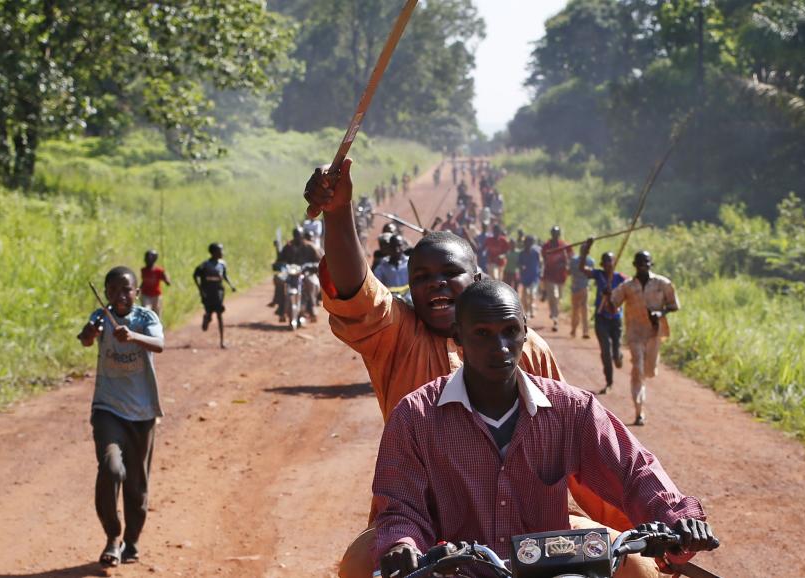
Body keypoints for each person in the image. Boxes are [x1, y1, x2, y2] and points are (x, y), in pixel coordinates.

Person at [304, 160, 629, 578]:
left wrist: (648, 529)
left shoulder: (530, 348)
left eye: (449, 273)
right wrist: (338, 211)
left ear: (477, 279)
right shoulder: (398, 335)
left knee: (632, 563)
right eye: (421, 277)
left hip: (537, 529)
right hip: (428, 531)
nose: (436, 283)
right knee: (358, 567)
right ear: (410, 288)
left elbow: (580, 452)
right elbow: (355, 292)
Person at [374, 280, 715, 578]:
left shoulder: (572, 410)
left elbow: (634, 471)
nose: (501, 348)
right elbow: (401, 507)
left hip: (556, 571)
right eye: (482, 334)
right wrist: (402, 544)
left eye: (510, 331)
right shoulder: (415, 417)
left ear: (525, 331)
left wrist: (678, 519)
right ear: (458, 336)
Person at [77, 266, 165, 568]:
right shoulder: (100, 317)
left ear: (136, 292)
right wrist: (89, 333)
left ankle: (132, 541)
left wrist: (133, 336)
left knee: (137, 486)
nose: (120, 295)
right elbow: (87, 338)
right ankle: (112, 536)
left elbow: (159, 345)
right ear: (106, 293)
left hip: (142, 414)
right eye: (113, 290)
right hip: (107, 409)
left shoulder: (145, 318)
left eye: (126, 289)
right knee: (112, 468)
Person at [609, 251, 679, 426]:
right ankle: (639, 411)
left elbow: (674, 305)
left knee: (649, 371)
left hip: (655, 333)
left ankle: (643, 384)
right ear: (634, 264)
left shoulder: (662, 284)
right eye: (639, 262)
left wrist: (660, 312)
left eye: (646, 262)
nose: (642, 265)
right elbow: (613, 305)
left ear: (650, 264)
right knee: (638, 370)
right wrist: (607, 295)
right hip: (635, 334)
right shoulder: (627, 287)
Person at [579, 239, 626, 393]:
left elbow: (632, 288)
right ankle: (609, 382)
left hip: (616, 319)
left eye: (610, 261)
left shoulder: (621, 278)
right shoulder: (598, 275)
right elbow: (582, 268)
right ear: (602, 263)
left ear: (614, 262)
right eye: (605, 262)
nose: (608, 264)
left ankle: (618, 356)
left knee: (615, 353)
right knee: (605, 351)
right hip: (601, 319)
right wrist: (585, 251)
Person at [193, 243, 237, 349]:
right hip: (208, 292)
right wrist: (200, 289)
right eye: (220, 251)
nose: (222, 253)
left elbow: (225, 276)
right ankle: (207, 317)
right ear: (213, 253)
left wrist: (231, 285)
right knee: (209, 311)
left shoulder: (222, 264)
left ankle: (222, 341)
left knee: (219, 314)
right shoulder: (205, 265)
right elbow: (195, 275)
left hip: (218, 292)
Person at [541, 226, 571, 333]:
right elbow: (544, 259)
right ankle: (555, 319)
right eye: (554, 233)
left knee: (558, 299)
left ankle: (554, 313)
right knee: (554, 296)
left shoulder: (564, 246)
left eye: (557, 234)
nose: (555, 235)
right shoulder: (546, 246)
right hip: (550, 276)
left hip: (561, 277)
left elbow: (570, 257)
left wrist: (565, 264)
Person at [373, 234, 410, 299]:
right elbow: (376, 288)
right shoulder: (381, 268)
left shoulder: (411, 263)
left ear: (404, 246)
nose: (397, 250)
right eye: (393, 247)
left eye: (399, 245)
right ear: (389, 248)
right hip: (391, 302)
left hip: (410, 301)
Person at [570, 252, 595, 339]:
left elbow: (591, 274)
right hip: (575, 288)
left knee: (584, 310)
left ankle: (585, 331)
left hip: (584, 288)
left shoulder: (590, 261)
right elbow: (571, 272)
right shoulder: (574, 260)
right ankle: (574, 329)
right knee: (575, 310)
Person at [139, 250, 171, 317]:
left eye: (148, 258)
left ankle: (157, 326)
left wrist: (167, 279)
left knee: (156, 313)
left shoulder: (159, 271)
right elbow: (144, 281)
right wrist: (139, 289)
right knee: (146, 311)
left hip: (156, 295)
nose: (146, 260)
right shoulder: (143, 270)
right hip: (146, 295)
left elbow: (166, 280)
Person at [518, 235, 541, 319]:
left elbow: (540, 263)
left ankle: (531, 311)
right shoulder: (521, 253)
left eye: (529, 242)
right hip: (525, 277)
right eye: (526, 242)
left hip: (534, 277)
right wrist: (522, 269)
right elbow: (519, 264)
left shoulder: (536, 253)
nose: (527, 244)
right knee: (525, 296)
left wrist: (540, 272)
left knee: (531, 294)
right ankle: (527, 311)